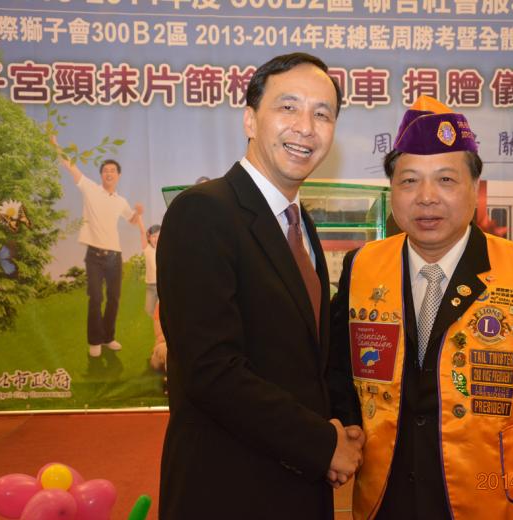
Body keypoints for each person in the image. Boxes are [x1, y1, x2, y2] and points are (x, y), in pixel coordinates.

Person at [328, 96, 513, 520]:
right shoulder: (362, 267)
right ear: (392, 191)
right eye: (409, 181)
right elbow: (338, 370)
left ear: (475, 189)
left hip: (490, 505)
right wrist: (345, 427)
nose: (426, 197)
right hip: (384, 502)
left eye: (446, 180)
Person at [156, 53, 365, 519]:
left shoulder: (300, 224)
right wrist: (322, 444)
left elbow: (306, 357)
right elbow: (211, 370)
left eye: (322, 114)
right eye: (288, 107)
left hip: (297, 485)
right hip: (228, 490)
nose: (306, 127)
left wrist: (343, 425)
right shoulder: (203, 212)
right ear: (250, 120)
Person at [53, 137, 143, 358]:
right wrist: (56, 145)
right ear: (101, 175)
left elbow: (131, 220)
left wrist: (138, 214)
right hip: (94, 255)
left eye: (113, 171)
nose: (109, 173)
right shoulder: (91, 189)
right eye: (105, 171)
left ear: (118, 175)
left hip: (114, 256)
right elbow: (71, 167)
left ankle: (108, 338)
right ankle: (94, 340)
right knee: (95, 298)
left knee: (114, 298)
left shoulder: (121, 201)